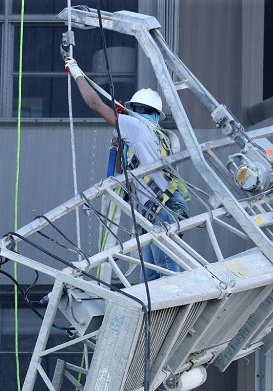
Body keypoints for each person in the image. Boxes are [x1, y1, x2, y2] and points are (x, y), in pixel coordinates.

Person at [64, 54, 189, 280]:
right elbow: (120, 172)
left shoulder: (136, 127)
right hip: (159, 209)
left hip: (162, 208)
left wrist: (76, 72)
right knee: (152, 279)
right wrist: (119, 136)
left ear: (135, 109)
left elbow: (95, 104)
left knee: (167, 277)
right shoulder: (154, 132)